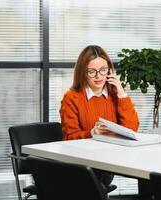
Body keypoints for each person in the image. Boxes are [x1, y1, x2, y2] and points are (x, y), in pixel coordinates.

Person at [59, 44, 140, 189]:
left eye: (103, 70)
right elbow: (69, 137)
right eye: (92, 72)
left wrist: (121, 93)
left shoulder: (116, 95)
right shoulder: (72, 98)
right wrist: (92, 133)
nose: (99, 76)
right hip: (82, 165)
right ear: (83, 73)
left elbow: (131, 129)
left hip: (109, 162)